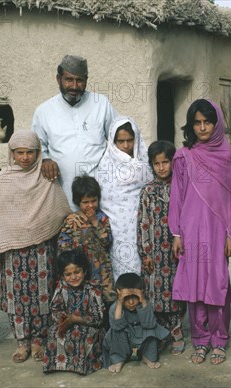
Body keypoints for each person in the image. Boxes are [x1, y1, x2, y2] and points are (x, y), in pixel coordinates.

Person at [0, 130, 71, 363]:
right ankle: (22, 342)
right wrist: (8, 235)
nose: (24, 157)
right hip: (13, 249)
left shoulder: (45, 177)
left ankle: (38, 341)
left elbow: (59, 209)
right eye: (19, 152)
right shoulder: (3, 178)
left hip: (41, 248)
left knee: (43, 294)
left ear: (38, 152)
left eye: (30, 152)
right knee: (16, 297)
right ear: (11, 153)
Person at [169, 99, 231, 365]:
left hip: (219, 229)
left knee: (217, 282)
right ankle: (200, 340)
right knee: (194, 284)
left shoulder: (228, 155)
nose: (202, 127)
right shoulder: (184, 155)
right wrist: (177, 233)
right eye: (197, 122)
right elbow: (177, 196)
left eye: (207, 121)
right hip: (190, 228)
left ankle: (219, 339)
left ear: (217, 123)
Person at [32, 54, 118, 209]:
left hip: (101, 194)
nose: (74, 86)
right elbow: (37, 145)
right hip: (62, 193)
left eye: (79, 80)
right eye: (69, 79)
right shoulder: (44, 111)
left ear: (86, 80)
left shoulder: (101, 104)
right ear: (58, 79)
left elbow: (118, 138)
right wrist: (45, 159)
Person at [137, 140, 186, 355]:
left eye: (165, 162)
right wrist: (145, 252)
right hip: (155, 253)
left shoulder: (181, 187)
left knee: (176, 291)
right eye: (157, 163)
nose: (162, 167)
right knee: (155, 292)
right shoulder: (147, 191)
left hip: (176, 251)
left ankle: (176, 330)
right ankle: (160, 332)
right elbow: (143, 222)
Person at [97, 117, 153, 280]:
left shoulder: (144, 162)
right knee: (121, 266)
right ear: (113, 141)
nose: (126, 146)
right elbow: (106, 198)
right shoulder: (105, 166)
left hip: (140, 225)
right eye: (121, 141)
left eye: (130, 140)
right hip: (117, 228)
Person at [43, 250, 106, 375]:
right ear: (62, 275)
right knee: (53, 331)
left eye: (77, 272)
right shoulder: (62, 288)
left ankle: (83, 366)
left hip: (89, 326)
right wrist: (64, 319)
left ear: (84, 271)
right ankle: (58, 364)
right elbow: (55, 309)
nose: (73, 277)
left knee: (85, 335)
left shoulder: (93, 290)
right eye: (68, 274)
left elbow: (98, 318)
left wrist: (76, 319)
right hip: (68, 323)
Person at [58, 175, 114, 303]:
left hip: (101, 270)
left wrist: (95, 222)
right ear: (78, 202)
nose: (90, 205)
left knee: (103, 299)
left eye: (93, 201)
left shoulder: (102, 218)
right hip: (79, 270)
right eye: (85, 202)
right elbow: (63, 244)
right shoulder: (72, 220)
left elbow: (107, 241)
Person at [102, 272, 169, 373]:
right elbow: (116, 326)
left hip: (141, 338)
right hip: (124, 341)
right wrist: (120, 302)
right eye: (126, 298)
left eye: (134, 297)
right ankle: (118, 359)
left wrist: (142, 300)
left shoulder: (145, 304)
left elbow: (149, 324)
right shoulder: (115, 307)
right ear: (119, 295)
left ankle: (147, 356)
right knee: (116, 332)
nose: (131, 302)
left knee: (151, 330)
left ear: (141, 293)